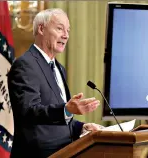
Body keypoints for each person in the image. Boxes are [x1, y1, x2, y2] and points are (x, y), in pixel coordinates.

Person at [7, 8, 103, 158]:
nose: (65, 35)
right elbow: (29, 111)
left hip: (65, 152)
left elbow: (57, 118)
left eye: (68, 30)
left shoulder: (59, 68)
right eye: (59, 28)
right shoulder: (25, 65)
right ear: (41, 28)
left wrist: (81, 127)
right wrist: (66, 109)